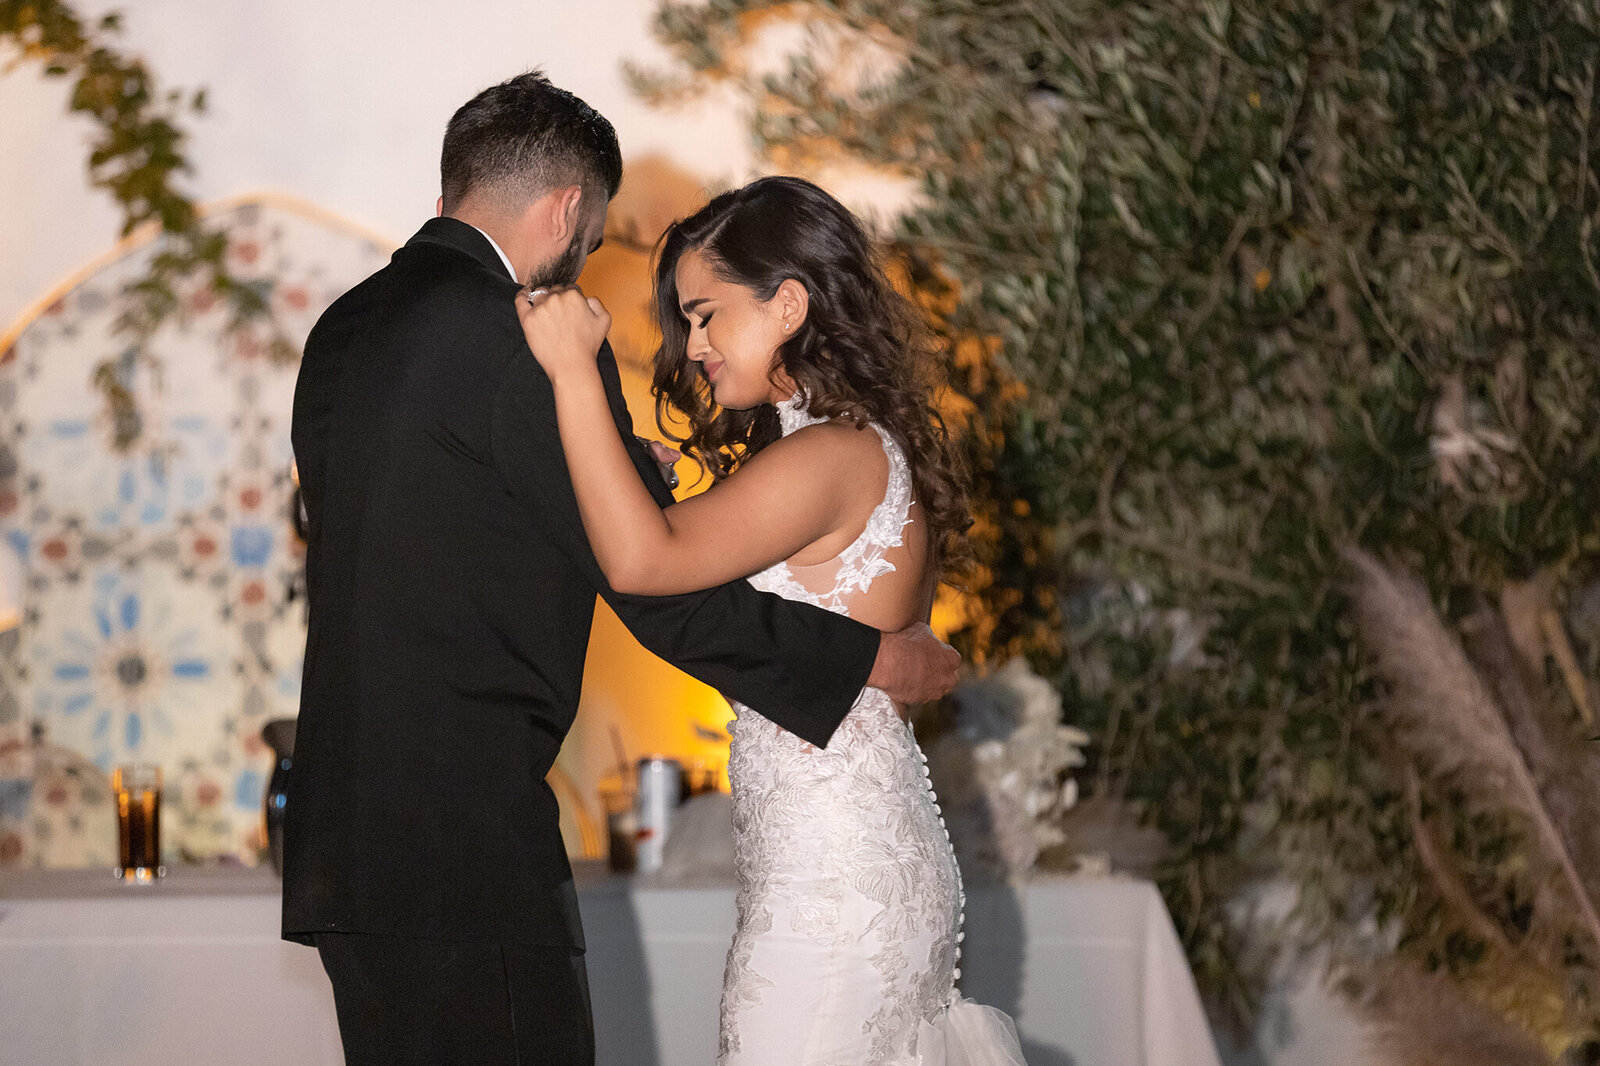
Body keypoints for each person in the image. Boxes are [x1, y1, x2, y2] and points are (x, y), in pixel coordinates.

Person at [282, 74, 960, 1066]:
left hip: (344, 837)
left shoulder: (341, 330)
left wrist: (609, 488)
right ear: (569, 208)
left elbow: (425, 536)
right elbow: (650, 583)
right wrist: (859, 659)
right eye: (593, 239)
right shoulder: (529, 337)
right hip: (462, 843)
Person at [518, 175, 1026, 1065]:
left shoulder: (826, 453)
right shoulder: (850, 444)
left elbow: (645, 563)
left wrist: (570, 374)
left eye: (708, 313)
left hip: (831, 889)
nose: (696, 343)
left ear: (788, 304)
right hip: (861, 863)